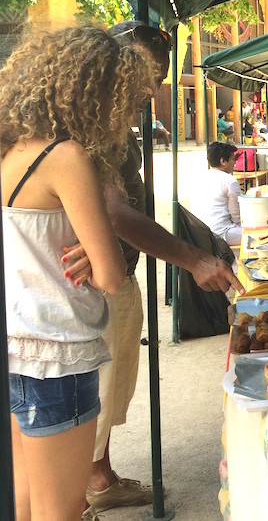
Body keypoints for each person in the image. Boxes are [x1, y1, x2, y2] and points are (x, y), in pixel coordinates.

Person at [58, 21, 244, 514]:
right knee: (82, 405)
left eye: (158, 79)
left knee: (110, 393)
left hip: (109, 275)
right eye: (144, 78)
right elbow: (113, 210)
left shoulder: (106, 120)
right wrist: (194, 258)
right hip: (83, 286)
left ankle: (99, 477)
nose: (151, 90)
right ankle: (79, 494)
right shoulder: (71, 133)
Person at [2, 26, 157, 521]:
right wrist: (99, 253)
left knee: (25, 503)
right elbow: (111, 274)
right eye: (129, 102)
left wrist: (91, 252)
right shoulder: (65, 157)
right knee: (61, 512)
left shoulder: (11, 152)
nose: (131, 117)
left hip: (17, 346)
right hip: (58, 354)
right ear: (100, 93)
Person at [193, 142, 243, 245]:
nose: (235, 164)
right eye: (233, 159)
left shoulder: (200, 177)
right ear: (223, 161)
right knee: (257, 233)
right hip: (221, 233)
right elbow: (237, 217)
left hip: (199, 232)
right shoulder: (230, 181)